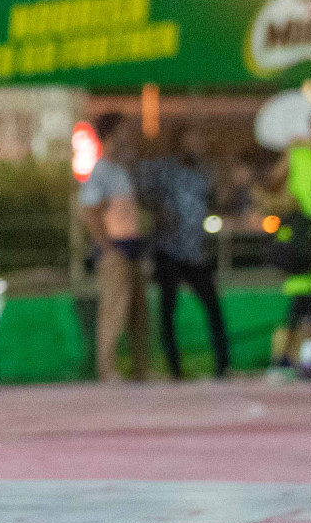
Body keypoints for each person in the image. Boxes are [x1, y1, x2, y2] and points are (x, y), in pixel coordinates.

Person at [139, 124, 230, 379]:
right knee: (168, 310)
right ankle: (174, 369)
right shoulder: (163, 169)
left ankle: (223, 365)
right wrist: (159, 212)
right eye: (192, 141)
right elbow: (144, 194)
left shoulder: (204, 173)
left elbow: (214, 203)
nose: (197, 146)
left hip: (195, 252)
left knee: (213, 306)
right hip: (168, 250)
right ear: (180, 143)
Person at [79, 112, 150, 382]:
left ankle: (141, 368)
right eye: (123, 130)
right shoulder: (101, 171)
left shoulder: (121, 169)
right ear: (110, 135)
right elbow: (89, 212)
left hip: (133, 246)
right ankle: (107, 368)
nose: (128, 136)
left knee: (139, 314)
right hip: (116, 249)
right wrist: (107, 247)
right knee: (114, 311)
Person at [263, 110, 311, 379]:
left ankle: (310, 354)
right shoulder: (298, 154)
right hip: (305, 239)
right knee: (302, 300)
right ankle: (285, 358)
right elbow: (271, 184)